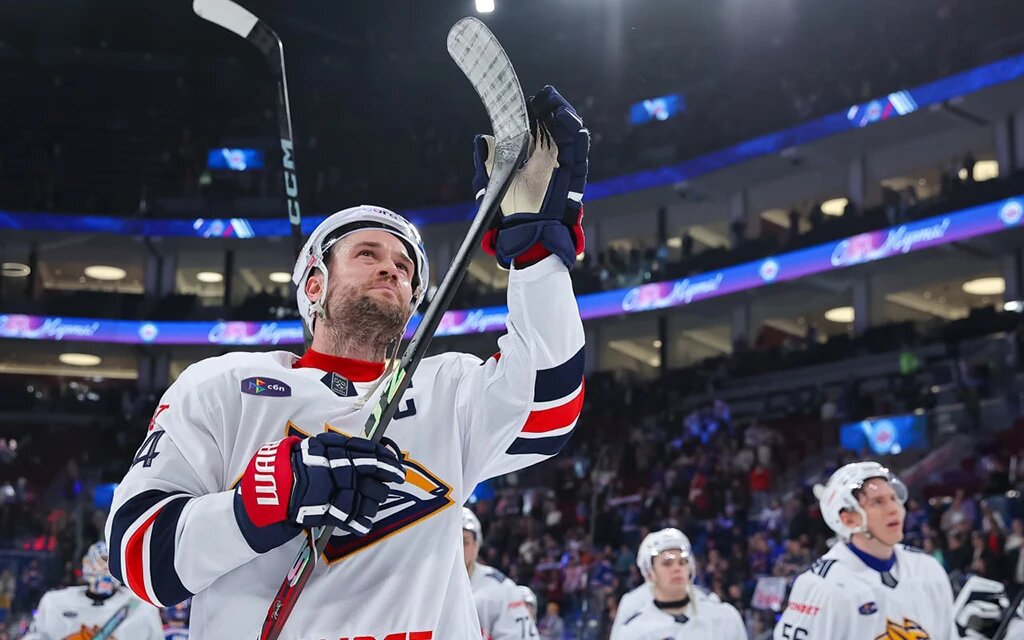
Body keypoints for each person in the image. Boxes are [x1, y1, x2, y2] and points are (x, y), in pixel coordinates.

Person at [105, 86, 589, 639]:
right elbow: (137, 555)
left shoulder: (448, 388)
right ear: (314, 284)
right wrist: (256, 506)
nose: (393, 270)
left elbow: (549, 410)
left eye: (405, 267)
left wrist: (536, 257)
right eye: (367, 254)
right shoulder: (225, 386)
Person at [774, 461, 956, 640]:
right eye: (878, 502)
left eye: (893, 498)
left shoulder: (927, 569)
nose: (894, 509)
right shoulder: (821, 586)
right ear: (848, 519)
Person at [610, 528, 746, 639]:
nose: (677, 568)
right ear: (650, 573)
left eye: (682, 562)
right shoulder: (634, 631)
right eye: (667, 563)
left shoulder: (725, 617)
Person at [24, 541, 164, 640]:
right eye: (101, 563)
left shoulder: (140, 604)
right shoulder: (54, 602)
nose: (105, 570)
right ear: (87, 564)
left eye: (108, 564)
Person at [463, 508, 539, 639]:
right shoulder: (428, 587)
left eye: (464, 542)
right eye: (450, 542)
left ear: (477, 545)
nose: (457, 549)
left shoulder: (501, 590)